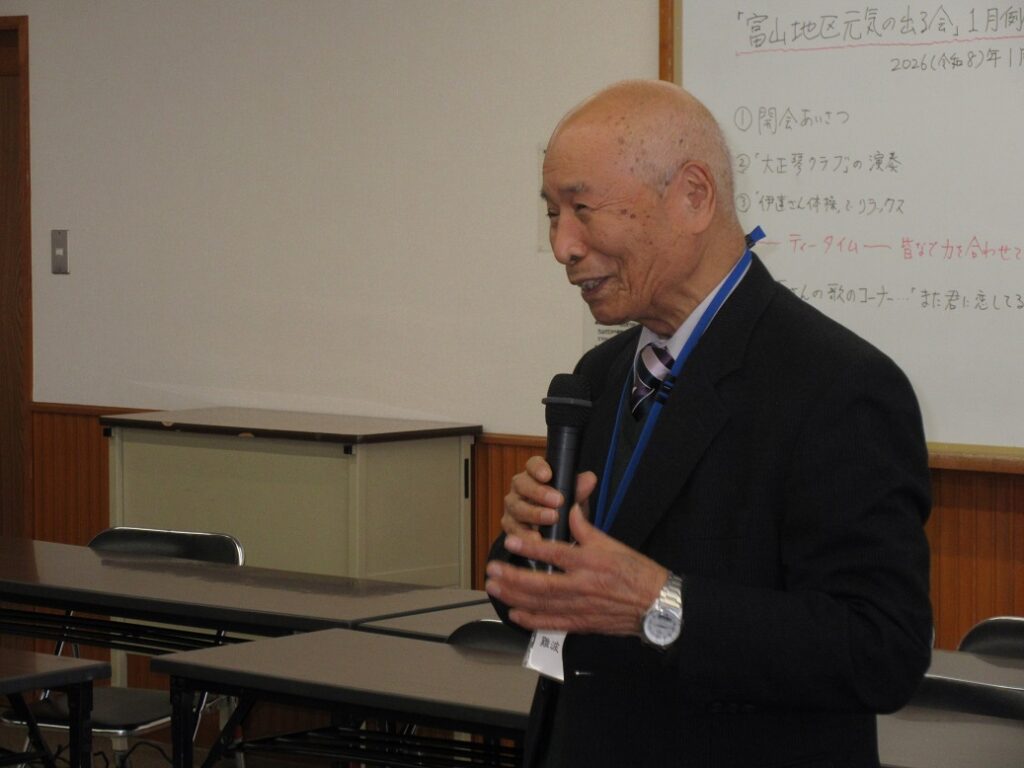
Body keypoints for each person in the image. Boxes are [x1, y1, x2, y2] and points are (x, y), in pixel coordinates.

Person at [485, 80, 932, 768]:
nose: (562, 246)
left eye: (582, 209)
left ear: (693, 196)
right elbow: (558, 605)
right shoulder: (599, 377)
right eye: (551, 214)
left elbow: (880, 650)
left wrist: (659, 605)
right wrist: (526, 548)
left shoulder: (837, 386)